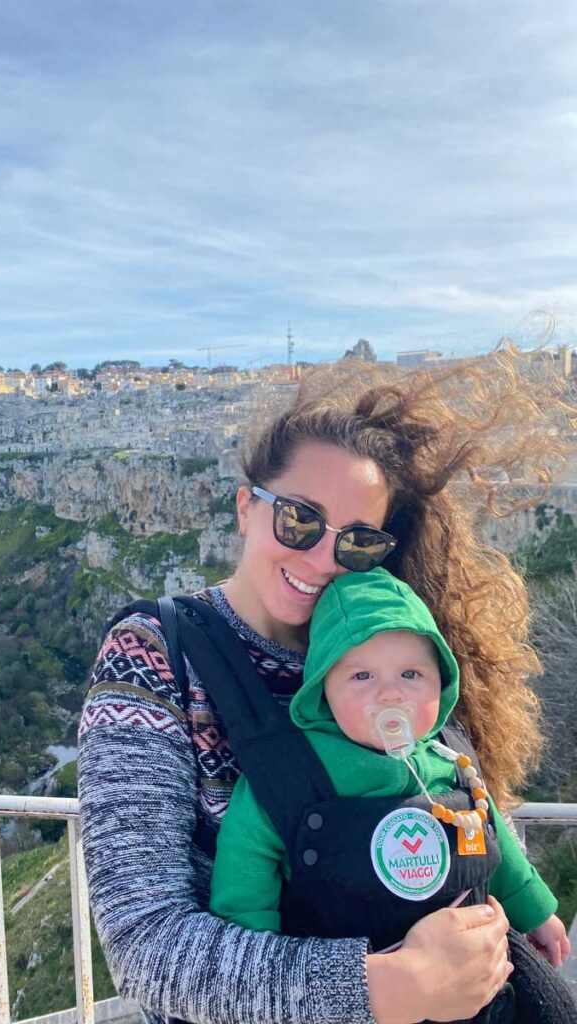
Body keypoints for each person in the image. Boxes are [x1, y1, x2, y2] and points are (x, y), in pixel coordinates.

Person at [79, 360, 569, 1024]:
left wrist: (521, 911)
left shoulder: (390, 644)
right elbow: (147, 947)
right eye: (300, 521)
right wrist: (386, 986)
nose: (322, 560)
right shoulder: (154, 654)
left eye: (359, 543)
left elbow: (460, 796)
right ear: (247, 505)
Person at [209, 568, 571, 1021]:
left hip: (472, 997)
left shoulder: (448, 762)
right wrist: (258, 956)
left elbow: (494, 841)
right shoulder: (293, 771)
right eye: (361, 676)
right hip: (363, 993)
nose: (390, 693)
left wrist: (537, 912)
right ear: (324, 690)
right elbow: (245, 871)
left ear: (441, 682)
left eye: (411, 673)